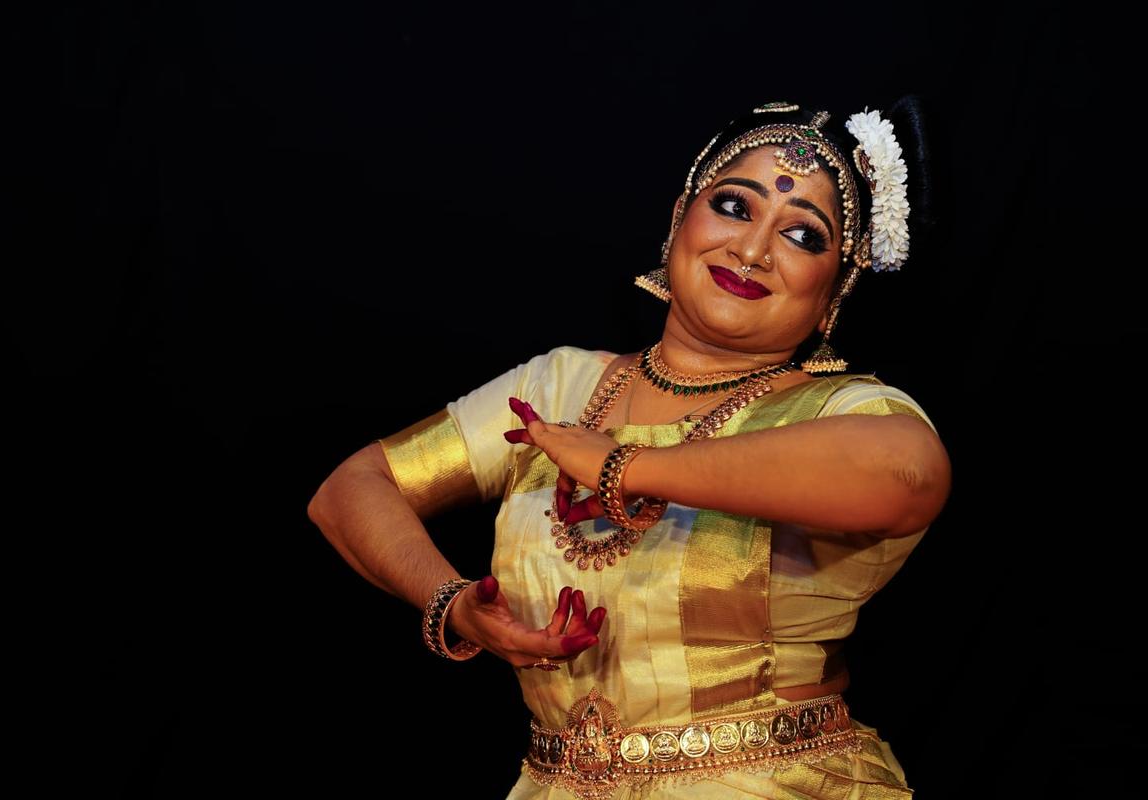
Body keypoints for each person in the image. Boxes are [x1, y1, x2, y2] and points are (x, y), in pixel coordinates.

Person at [308, 98, 951, 799]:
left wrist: (626, 465)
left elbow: (907, 474)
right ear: (681, 216)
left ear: (836, 288)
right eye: (735, 206)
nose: (752, 250)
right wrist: (453, 605)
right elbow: (350, 489)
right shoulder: (559, 387)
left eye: (802, 235)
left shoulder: (838, 409)